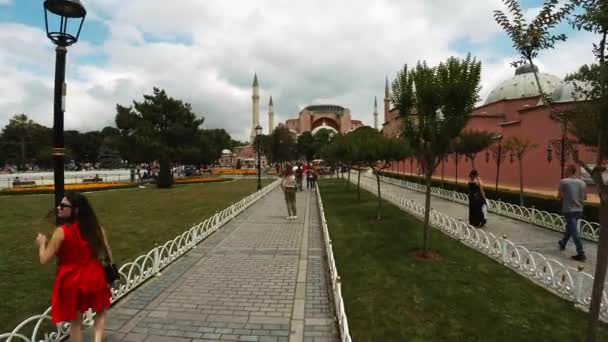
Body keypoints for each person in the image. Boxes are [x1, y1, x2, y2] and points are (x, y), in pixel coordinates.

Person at [35, 192, 112, 342]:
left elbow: (44, 259)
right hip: (94, 275)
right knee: (100, 312)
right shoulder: (95, 229)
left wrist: (42, 243)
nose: (59, 207)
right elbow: (107, 251)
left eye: (63, 206)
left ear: (75, 210)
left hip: (72, 279)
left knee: (76, 323)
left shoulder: (62, 232)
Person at [558, 164, 587, 261]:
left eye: (566, 169)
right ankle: (563, 242)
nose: (565, 171)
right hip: (579, 210)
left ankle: (581, 254)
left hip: (569, 210)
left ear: (570, 170)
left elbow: (560, 196)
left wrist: (566, 198)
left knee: (574, 232)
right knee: (570, 228)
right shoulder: (582, 183)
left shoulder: (563, 181)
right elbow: (585, 198)